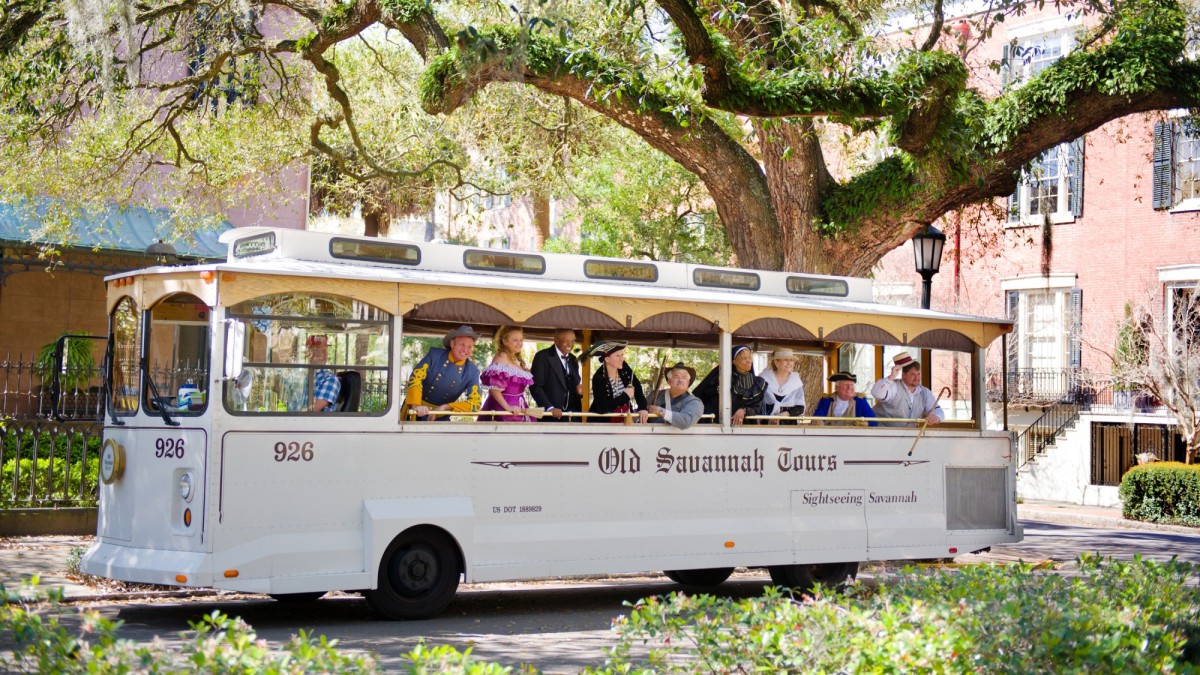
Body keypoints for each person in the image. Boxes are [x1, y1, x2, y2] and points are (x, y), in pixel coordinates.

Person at [404, 325, 483, 421]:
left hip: (441, 418)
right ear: (452, 344)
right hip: (416, 412)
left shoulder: (472, 371)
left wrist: (446, 407)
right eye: (462, 345)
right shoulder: (434, 355)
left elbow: (475, 403)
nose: (465, 350)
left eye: (469, 346)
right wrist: (416, 405)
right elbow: (416, 378)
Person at [694, 345, 768, 426]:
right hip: (720, 424)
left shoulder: (758, 383)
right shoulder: (722, 379)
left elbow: (757, 407)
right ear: (734, 361)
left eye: (749, 358)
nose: (748, 361)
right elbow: (709, 401)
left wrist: (744, 410)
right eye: (744, 358)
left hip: (746, 426)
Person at [870, 351, 943, 427]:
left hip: (909, 435)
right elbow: (876, 393)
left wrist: (936, 417)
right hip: (881, 434)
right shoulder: (893, 387)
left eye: (918, 374)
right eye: (912, 374)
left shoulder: (925, 392)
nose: (917, 378)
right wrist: (891, 376)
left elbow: (938, 410)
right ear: (903, 375)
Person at [479, 325, 534, 422]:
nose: (519, 343)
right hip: (503, 409)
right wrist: (508, 407)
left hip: (518, 409)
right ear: (505, 342)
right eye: (515, 340)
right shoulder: (501, 356)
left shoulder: (516, 359)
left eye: (521, 340)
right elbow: (494, 388)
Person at [588, 341, 649, 423]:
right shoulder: (598, 378)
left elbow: (637, 386)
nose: (622, 359)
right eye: (618, 356)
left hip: (624, 421)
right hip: (603, 425)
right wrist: (625, 396)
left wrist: (642, 408)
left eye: (622, 355)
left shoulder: (624, 368)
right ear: (607, 359)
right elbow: (602, 408)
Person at [529, 328, 582, 421]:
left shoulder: (574, 360)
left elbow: (573, 387)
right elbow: (535, 387)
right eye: (565, 340)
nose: (570, 344)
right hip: (551, 416)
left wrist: (579, 392)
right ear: (555, 339)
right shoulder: (542, 357)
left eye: (572, 341)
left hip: (573, 416)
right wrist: (549, 408)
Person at [646, 362, 704, 429]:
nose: (680, 380)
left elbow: (686, 421)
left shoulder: (694, 402)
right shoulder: (654, 395)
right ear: (669, 380)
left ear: (688, 382)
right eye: (676, 377)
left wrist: (660, 411)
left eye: (684, 377)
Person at [812, 372, 878, 426]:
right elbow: (816, 419)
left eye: (852, 385)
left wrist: (862, 424)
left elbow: (873, 422)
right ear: (837, 388)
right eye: (846, 385)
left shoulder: (860, 401)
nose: (850, 388)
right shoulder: (826, 400)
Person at [759, 348, 805, 424]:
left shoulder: (796, 381)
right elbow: (757, 403)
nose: (789, 363)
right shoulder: (763, 379)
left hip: (789, 426)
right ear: (776, 362)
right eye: (786, 360)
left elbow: (800, 407)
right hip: (767, 425)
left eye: (791, 360)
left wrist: (784, 414)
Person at [307, 335, 340, 413]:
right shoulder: (303, 376)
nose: (321, 354)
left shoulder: (330, 379)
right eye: (316, 350)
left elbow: (312, 410)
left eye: (324, 351)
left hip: (316, 423)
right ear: (307, 353)